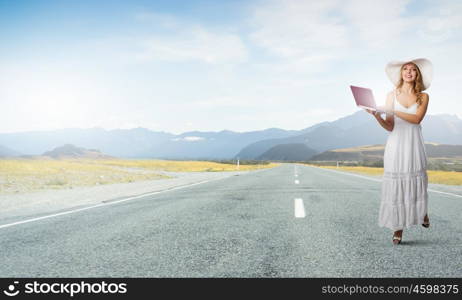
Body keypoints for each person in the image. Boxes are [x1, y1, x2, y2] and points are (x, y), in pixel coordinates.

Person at [365, 58, 433, 245]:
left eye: (413, 69)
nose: (409, 72)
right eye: (405, 69)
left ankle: (422, 212)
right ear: (401, 73)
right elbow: (389, 126)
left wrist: (392, 111)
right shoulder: (390, 95)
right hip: (396, 143)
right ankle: (397, 229)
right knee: (396, 187)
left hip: (413, 143)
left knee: (416, 179)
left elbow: (416, 118)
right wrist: (378, 115)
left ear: (417, 74)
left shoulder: (423, 96)